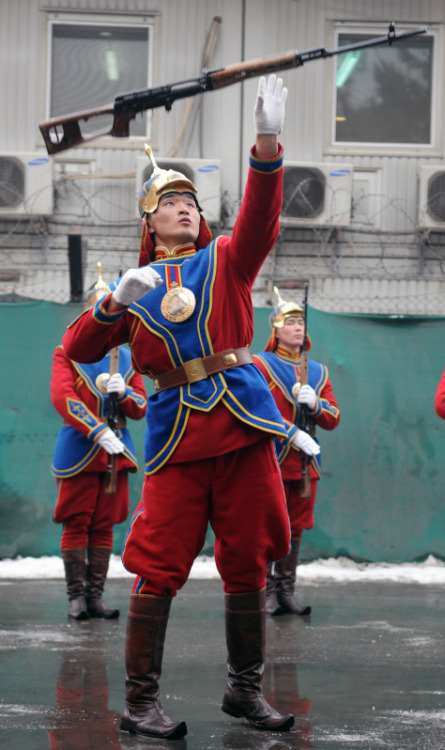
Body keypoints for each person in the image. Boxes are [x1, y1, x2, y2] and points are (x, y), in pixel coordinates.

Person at [62, 75, 297, 739]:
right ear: (148, 221)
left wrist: (267, 142)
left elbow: (260, 216)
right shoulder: (133, 286)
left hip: (243, 424)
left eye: (191, 200)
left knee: (249, 558)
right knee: (157, 562)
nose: (186, 208)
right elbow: (77, 346)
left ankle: (243, 692)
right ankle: (140, 703)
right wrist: (114, 302)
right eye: (171, 202)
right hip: (174, 438)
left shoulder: (224, 260)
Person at [50, 266, 147, 621]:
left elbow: (139, 407)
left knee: (105, 524)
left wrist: (124, 395)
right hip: (80, 449)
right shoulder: (68, 353)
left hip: (116, 454)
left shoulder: (129, 360)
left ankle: (96, 597)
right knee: (77, 521)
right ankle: (76, 597)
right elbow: (63, 398)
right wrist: (97, 431)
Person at [254, 290, 340, 616]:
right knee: (267, 525)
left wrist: (316, 404)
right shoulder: (261, 365)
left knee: (296, 526)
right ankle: (263, 592)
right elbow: (254, 410)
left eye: (301, 321)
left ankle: (285, 590)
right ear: (275, 329)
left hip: (304, 464)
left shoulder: (318, 372)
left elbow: (332, 417)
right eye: (290, 322)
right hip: (270, 459)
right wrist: (290, 431)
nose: (298, 327)